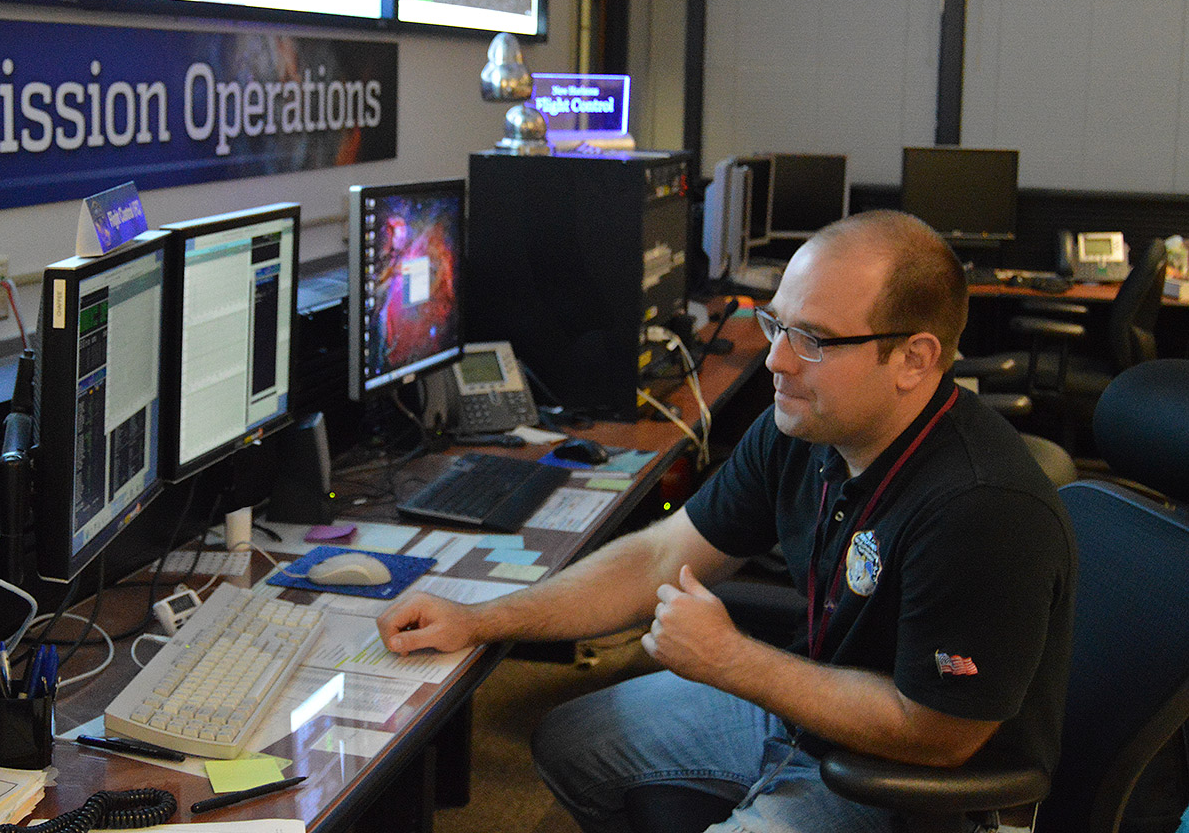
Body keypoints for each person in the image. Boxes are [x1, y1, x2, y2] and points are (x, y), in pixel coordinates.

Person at [377, 210, 1077, 833]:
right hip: (814, 708)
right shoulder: (803, 428)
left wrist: (732, 661)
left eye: (811, 339)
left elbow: (942, 735)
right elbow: (659, 558)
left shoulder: (983, 509)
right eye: (777, 324)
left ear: (914, 359)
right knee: (572, 742)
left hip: (919, 789)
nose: (774, 359)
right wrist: (480, 618)